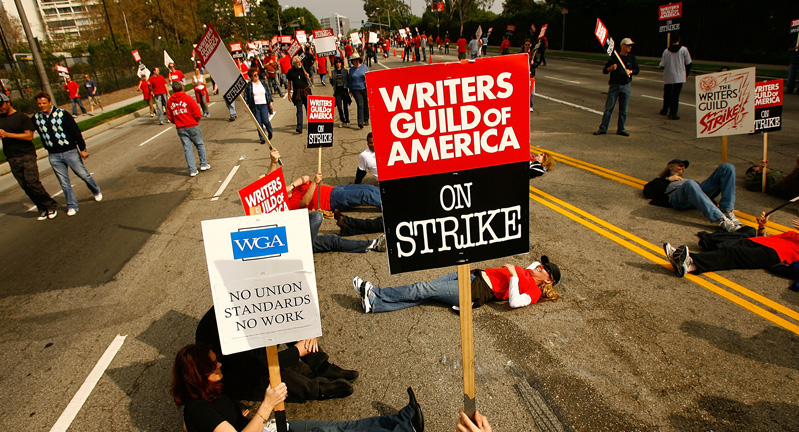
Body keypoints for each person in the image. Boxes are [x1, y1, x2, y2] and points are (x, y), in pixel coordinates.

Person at [171, 344, 425, 432]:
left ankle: (403, 422)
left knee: (340, 428)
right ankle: (404, 423)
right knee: (339, 430)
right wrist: (266, 406)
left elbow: (189, 427)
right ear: (199, 374)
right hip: (268, 426)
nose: (220, 364)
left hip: (266, 427)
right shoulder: (198, 409)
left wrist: (237, 420)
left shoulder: (203, 398)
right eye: (214, 365)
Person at [196, 306, 359, 402]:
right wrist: (296, 352)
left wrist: (308, 329)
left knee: (282, 322)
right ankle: (316, 389)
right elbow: (258, 365)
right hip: (235, 373)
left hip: (248, 355)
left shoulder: (245, 303)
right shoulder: (228, 334)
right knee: (274, 377)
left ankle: (322, 366)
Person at [352, 256, 561, 314]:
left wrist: (514, 275)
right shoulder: (529, 270)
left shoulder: (532, 291)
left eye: (544, 269)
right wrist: (523, 272)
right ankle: (375, 304)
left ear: (548, 280)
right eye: (542, 265)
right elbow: (533, 263)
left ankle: (375, 291)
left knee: (423, 288)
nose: (539, 267)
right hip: (474, 276)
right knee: (426, 294)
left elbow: (515, 302)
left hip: (476, 290)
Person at [663, 212, 799, 280]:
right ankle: (688, 265)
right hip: (760, 242)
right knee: (728, 251)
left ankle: (690, 261)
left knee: (732, 255)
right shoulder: (793, 234)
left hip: (774, 255)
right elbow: (769, 239)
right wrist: (762, 227)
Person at [32, 92, 102, 217]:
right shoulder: (37, 118)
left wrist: (82, 148)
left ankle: (95, 190)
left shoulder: (62, 114)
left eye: (44, 103)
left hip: (70, 151)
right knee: (64, 182)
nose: (42, 106)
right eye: (39, 104)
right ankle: (72, 205)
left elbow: (75, 131)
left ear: (49, 103)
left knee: (83, 175)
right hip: (53, 155)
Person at [0, 93, 59, 220]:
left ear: (8, 102)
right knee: (25, 186)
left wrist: (8, 135)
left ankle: (50, 205)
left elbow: (28, 136)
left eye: (1, 105)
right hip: (11, 157)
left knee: (32, 183)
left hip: (26, 155)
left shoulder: (21, 118)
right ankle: (41, 207)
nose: (0, 108)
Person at [643, 159, 741, 232]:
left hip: (695, 195)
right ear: (670, 167)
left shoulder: (687, 180)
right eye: (680, 165)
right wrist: (668, 179)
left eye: (684, 166)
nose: (683, 167)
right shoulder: (662, 180)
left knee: (727, 167)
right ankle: (721, 219)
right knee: (690, 183)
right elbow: (648, 191)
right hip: (678, 198)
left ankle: (727, 210)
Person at [594, 38, 639, 137]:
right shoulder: (615, 57)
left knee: (624, 110)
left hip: (626, 86)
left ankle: (621, 128)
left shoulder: (632, 58)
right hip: (614, 85)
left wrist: (630, 71)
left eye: (631, 45)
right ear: (622, 45)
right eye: (627, 45)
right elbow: (604, 70)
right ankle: (603, 128)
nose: (629, 47)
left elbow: (637, 69)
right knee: (609, 108)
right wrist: (610, 68)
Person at [166, 82, 209, 177]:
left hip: (180, 127)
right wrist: (195, 120)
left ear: (173, 90)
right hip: (191, 125)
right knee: (200, 144)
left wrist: (177, 122)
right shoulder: (187, 98)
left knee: (187, 148)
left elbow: (170, 116)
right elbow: (197, 112)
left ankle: (192, 169)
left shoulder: (170, 101)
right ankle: (203, 164)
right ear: (182, 88)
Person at [659, 34, 692, 120]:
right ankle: (673, 112)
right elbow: (688, 63)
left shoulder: (666, 51)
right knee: (675, 95)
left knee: (667, 94)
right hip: (680, 76)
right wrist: (686, 74)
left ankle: (665, 109)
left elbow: (662, 65)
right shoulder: (684, 50)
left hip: (668, 76)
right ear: (679, 39)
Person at [243, 69, 274, 144]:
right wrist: (245, 105)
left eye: (257, 74)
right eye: (255, 75)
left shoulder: (263, 83)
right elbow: (246, 96)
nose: (257, 76)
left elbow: (268, 93)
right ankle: (262, 138)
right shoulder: (249, 85)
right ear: (251, 77)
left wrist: (270, 103)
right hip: (255, 106)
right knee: (259, 123)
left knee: (265, 121)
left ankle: (270, 132)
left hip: (264, 104)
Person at [286, 56, 312, 134]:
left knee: (309, 109)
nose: (299, 63)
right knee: (299, 110)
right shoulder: (290, 71)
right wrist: (289, 94)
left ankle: (311, 124)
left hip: (306, 91)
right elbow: (289, 83)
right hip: (297, 93)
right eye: (297, 62)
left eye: (300, 61)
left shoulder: (304, 69)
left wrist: (308, 76)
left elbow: (310, 78)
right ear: (294, 63)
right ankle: (299, 126)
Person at [348, 53, 369, 129]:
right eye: (354, 60)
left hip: (364, 88)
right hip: (355, 89)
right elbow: (350, 81)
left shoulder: (364, 67)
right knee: (360, 105)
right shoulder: (351, 70)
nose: (355, 61)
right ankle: (360, 121)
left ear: (359, 60)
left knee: (365, 104)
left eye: (356, 60)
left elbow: (369, 77)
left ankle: (366, 119)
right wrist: (350, 90)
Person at [329, 57, 351, 128]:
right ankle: (343, 120)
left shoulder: (345, 71)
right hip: (337, 91)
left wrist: (350, 90)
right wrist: (331, 79)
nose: (338, 64)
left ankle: (347, 120)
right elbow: (333, 84)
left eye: (339, 62)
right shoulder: (333, 72)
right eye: (337, 62)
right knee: (339, 107)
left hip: (344, 90)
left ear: (341, 63)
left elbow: (348, 80)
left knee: (345, 107)